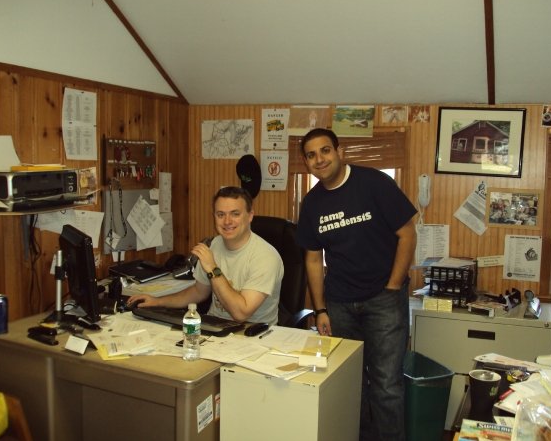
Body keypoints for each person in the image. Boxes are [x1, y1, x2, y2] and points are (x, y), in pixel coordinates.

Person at [296, 128, 417, 441]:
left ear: (339, 151)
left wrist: (392, 286)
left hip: (383, 299)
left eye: (325, 150)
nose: (319, 159)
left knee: (386, 385)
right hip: (339, 303)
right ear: (306, 162)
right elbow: (313, 259)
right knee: (350, 382)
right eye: (311, 155)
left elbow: (407, 233)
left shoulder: (374, 182)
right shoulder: (311, 204)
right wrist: (320, 308)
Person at [128, 186, 284, 325]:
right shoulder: (215, 244)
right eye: (220, 214)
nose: (227, 221)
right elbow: (198, 291)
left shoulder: (266, 257)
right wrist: (158, 301)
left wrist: (212, 268)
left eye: (235, 214)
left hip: (253, 334)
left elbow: (241, 314)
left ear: (250, 216)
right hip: (215, 327)